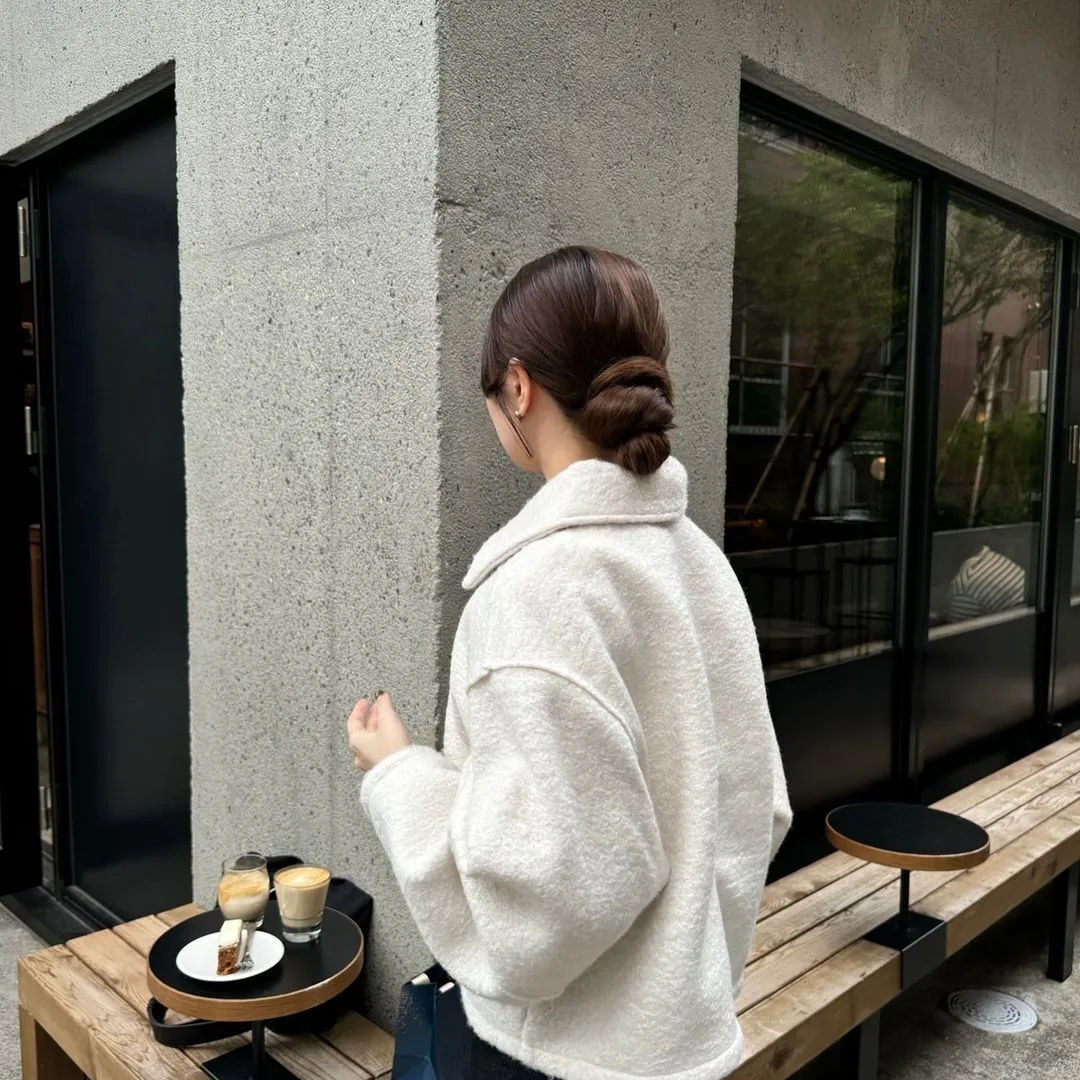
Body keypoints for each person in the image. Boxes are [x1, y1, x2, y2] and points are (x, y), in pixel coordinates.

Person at [347, 247, 791, 1080]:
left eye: (492, 393)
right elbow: (756, 807)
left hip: (561, 1057)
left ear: (518, 387)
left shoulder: (536, 594)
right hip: (680, 1039)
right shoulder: (699, 565)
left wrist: (400, 775)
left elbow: (551, 899)